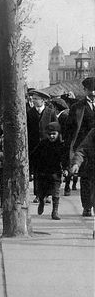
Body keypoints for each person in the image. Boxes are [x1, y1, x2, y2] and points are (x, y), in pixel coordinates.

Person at [64, 77, 95, 216]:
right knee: (87, 179)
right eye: (90, 90)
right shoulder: (77, 107)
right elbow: (69, 130)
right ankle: (87, 206)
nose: (93, 92)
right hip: (83, 149)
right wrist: (71, 150)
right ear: (85, 90)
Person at [30, 122, 69, 219]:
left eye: (54, 134)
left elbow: (65, 159)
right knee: (42, 192)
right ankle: (42, 201)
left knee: (56, 192)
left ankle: (55, 211)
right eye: (49, 134)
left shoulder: (62, 145)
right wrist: (32, 170)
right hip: (42, 173)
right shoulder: (42, 144)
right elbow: (33, 156)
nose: (51, 136)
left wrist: (66, 169)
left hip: (56, 173)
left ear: (58, 133)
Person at [26, 89, 58, 204]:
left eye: (36, 99)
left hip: (48, 146)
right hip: (35, 147)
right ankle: (38, 195)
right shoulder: (29, 113)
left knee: (49, 170)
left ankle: (48, 194)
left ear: (43, 100)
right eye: (32, 99)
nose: (33, 101)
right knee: (37, 171)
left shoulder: (50, 112)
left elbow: (56, 128)